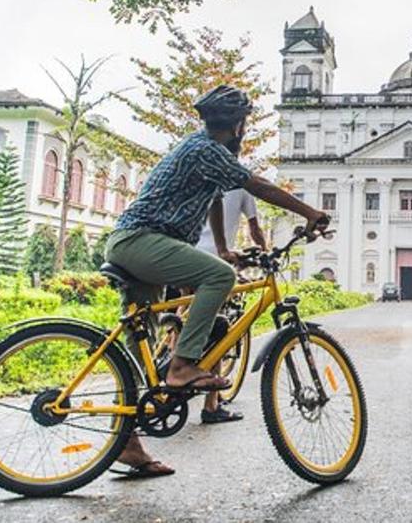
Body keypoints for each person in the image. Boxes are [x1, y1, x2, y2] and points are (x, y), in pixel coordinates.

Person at [104, 84, 329, 479]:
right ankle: (184, 365)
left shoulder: (204, 151)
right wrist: (310, 212)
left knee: (140, 356)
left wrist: (225, 248)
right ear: (239, 125)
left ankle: (126, 442)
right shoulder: (205, 149)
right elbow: (256, 185)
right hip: (141, 241)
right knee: (219, 277)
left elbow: (212, 200)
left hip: (140, 242)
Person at [195, 188, 266, 425]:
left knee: (183, 314)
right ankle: (211, 405)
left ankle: (173, 358)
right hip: (216, 260)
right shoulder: (244, 187)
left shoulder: (205, 178)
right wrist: (265, 252)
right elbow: (254, 228)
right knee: (218, 328)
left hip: (187, 252)